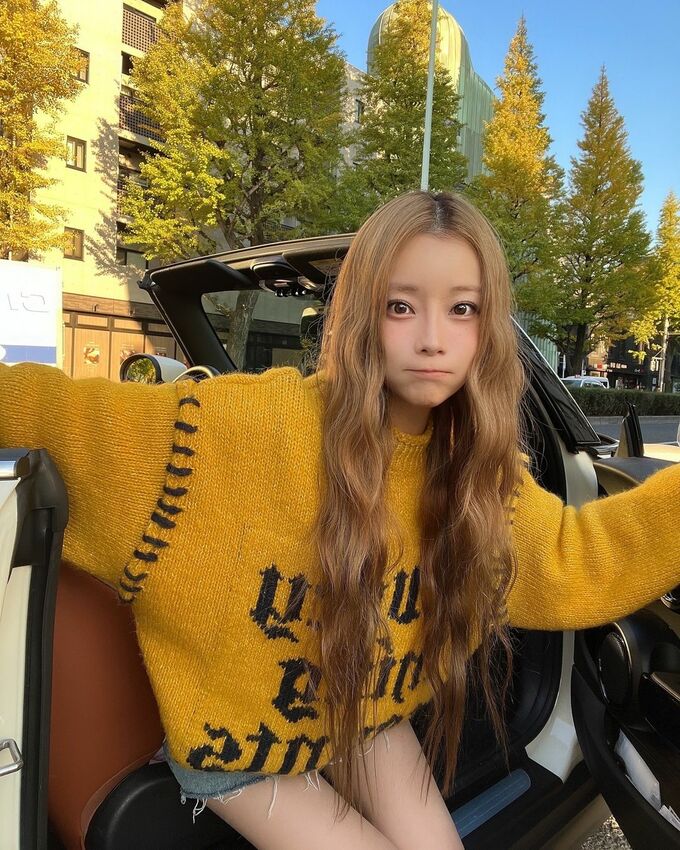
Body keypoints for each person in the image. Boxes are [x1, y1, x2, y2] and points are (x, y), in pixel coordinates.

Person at [1, 191, 678, 850]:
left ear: (489, 325)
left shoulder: (474, 471)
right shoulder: (236, 430)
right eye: (400, 306)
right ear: (360, 313)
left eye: (462, 309)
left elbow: (571, 561)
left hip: (364, 711)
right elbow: (46, 410)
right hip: (244, 753)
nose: (433, 339)